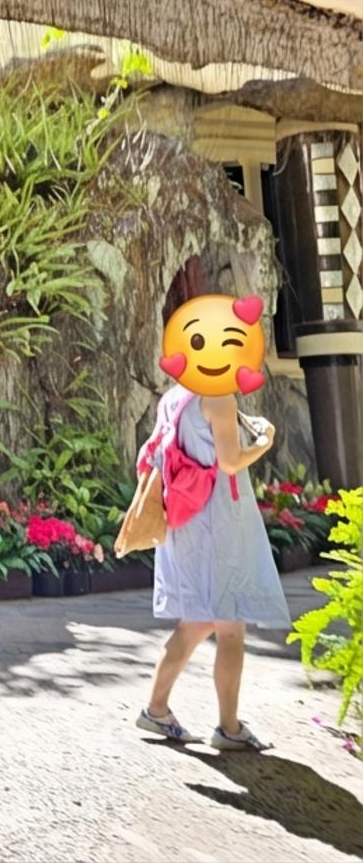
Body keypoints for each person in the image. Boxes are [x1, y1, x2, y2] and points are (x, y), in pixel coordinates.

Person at [137, 294, 290, 751]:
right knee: (229, 627)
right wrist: (264, 442)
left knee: (197, 621)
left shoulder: (175, 396)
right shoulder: (218, 395)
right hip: (216, 523)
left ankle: (156, 710)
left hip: (184, 521)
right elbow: (229, 462)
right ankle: (229, 729)